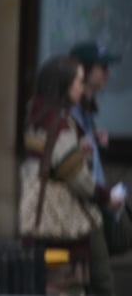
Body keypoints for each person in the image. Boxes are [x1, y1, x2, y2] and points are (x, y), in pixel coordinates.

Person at [19, 55, 124, 295]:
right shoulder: (58, 122)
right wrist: (106, 196)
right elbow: (76, 174)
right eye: (77, 80)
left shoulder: (39, 115)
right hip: (62, 230)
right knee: (67, 288)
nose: (81, 85)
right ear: (63, 84)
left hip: (42, 229)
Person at [69, 41, 125, 296]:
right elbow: (72, 170)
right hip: (84, 210)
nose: (107, 75)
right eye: (102, 68)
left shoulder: (86, 111)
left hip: (94, 206)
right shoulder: (68, 112)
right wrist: (104, 196)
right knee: (101, 283)